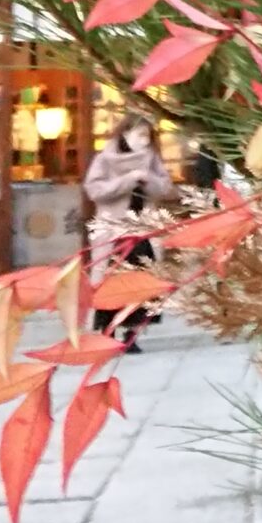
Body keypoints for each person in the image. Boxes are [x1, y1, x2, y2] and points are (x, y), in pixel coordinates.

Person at [84, 113, 174, 351]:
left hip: (142, 230)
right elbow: (94, 190)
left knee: (142, 281)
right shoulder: (105, 159)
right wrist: (128, 180)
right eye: (140, 135)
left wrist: (148, 179)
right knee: (111, 282)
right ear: (125, 134)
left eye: (148, 136)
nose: (145, 141)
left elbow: (165, 188)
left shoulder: (151, 159)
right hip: (114, 231)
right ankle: (108, 330)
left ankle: (132, 334)